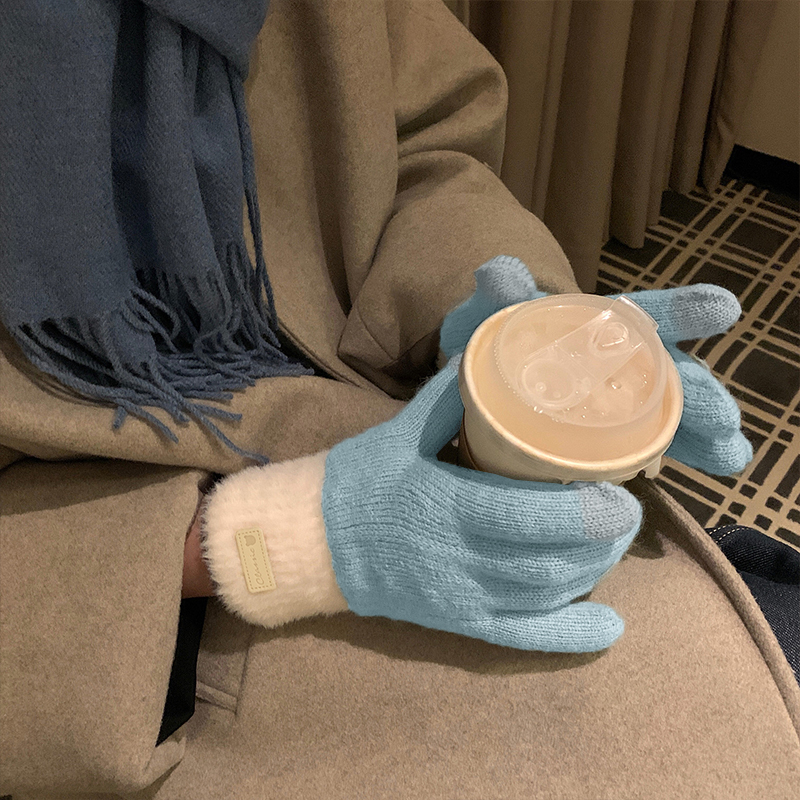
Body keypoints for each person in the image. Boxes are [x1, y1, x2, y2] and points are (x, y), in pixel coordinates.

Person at [1, 1, 797, 798]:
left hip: (384, 422)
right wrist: (281, 539)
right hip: (121, 632)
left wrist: (508, 327)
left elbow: (427, 141)